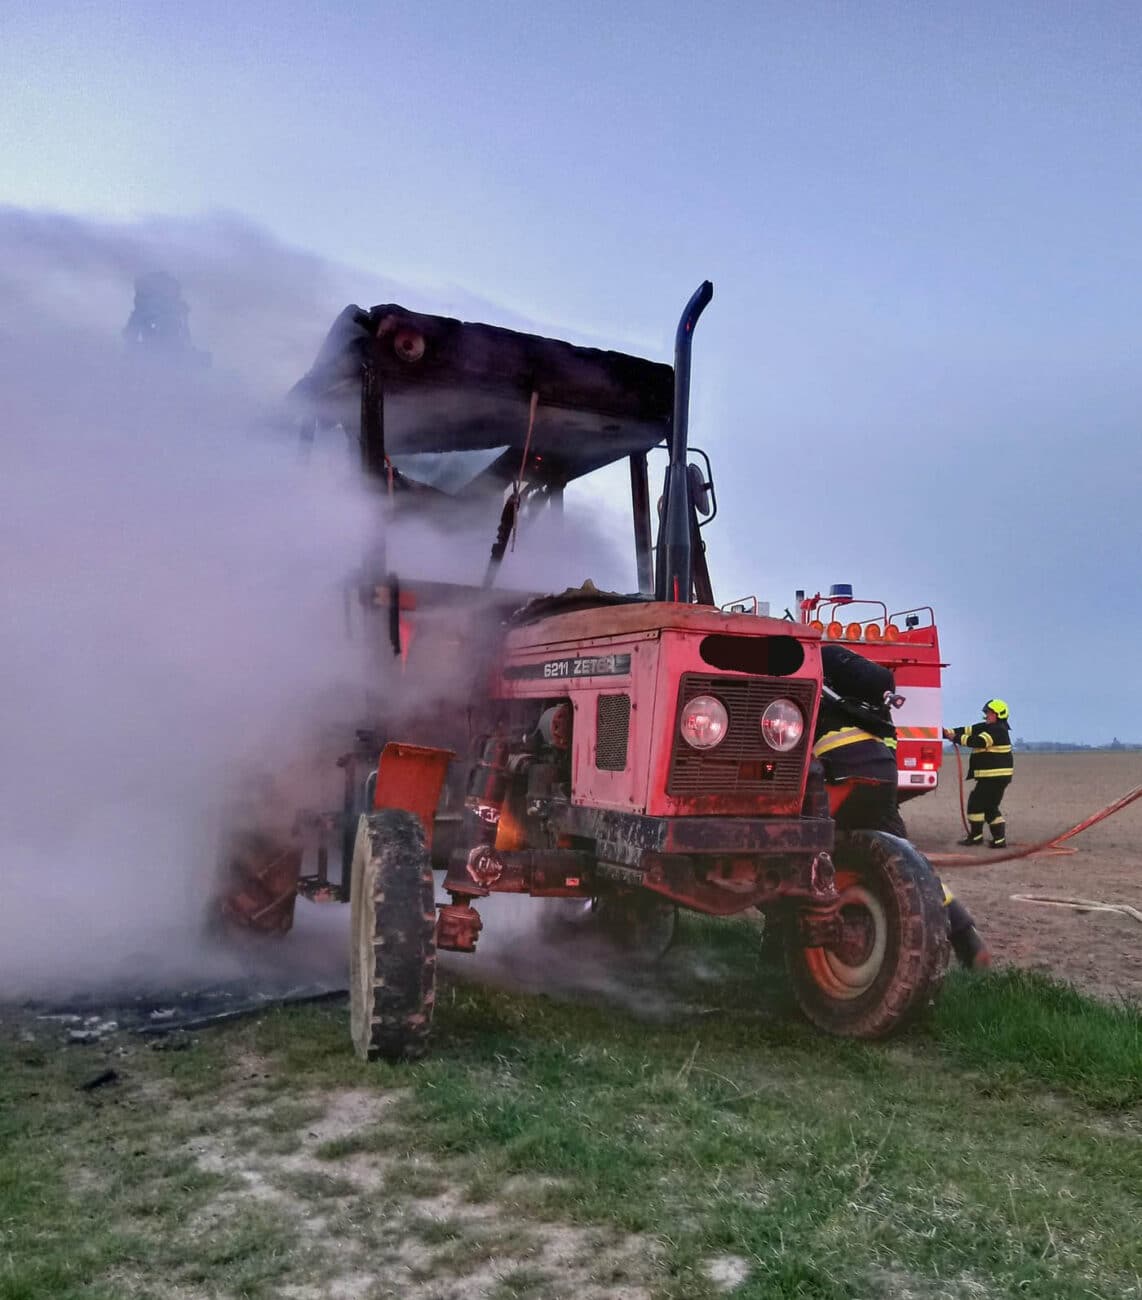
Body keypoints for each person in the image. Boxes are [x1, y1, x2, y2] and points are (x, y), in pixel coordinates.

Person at [817, 646, 990, 968]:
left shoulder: (819, 690)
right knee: (907, 861)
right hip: (882, 777)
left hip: (839, 775)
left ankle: (780, 948)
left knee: (802, 857)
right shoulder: (876, 710)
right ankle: (965, 935)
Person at [943, 699, 1014, 848]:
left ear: (998, 714)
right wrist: (947, 733)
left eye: (989, 713)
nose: (986, 715)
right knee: (990, 807)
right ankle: (998, 840)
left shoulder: (997, 730)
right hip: (993, 777)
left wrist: (955, 738)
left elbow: (979, 741)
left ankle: (977, 837)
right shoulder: (987, 727)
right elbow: (968, 730)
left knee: (976, 804)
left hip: (994, 777)